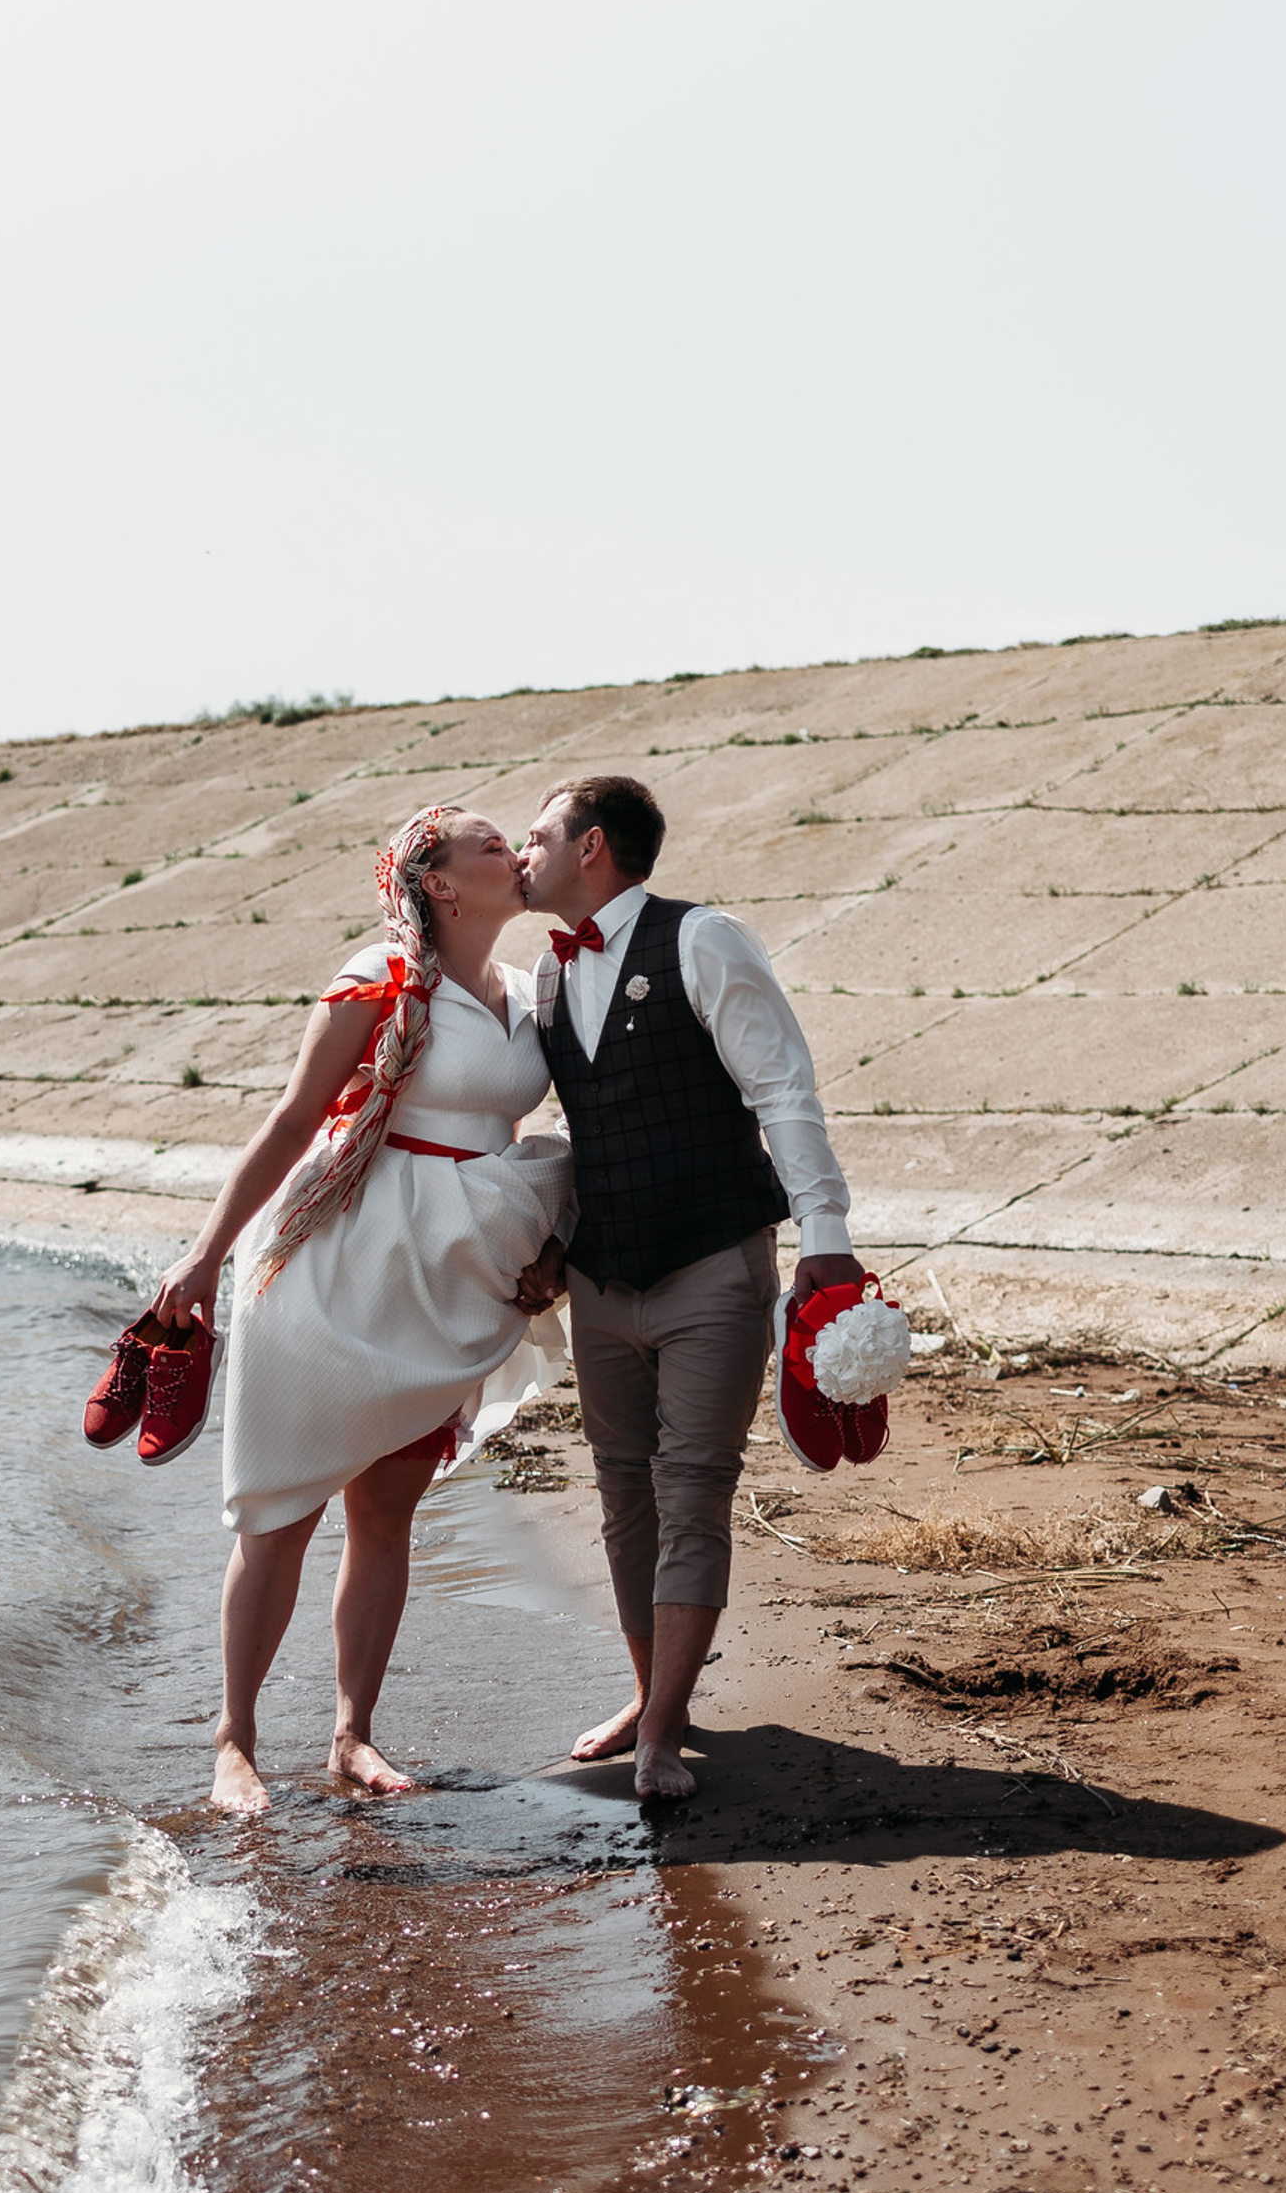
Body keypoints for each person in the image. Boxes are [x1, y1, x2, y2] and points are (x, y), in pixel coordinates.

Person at [151, 807, 572, 1814]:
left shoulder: (525, 992)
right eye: (486, 845)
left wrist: (546, 1250)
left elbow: (508, 1138)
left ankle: (351, 1736)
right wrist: (205, 1255)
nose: (512, 854)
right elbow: (294, 1118)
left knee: (386, 1511)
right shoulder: (376, 978)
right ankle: (234, 1741)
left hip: (447, 1275)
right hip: (337, 1267)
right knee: (281, 1513)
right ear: (437, 883)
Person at [514, 775, 863, 1798]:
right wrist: (556, 1239)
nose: (523, 856)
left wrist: (826, 1238)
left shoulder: (704, 939)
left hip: (712, 1263)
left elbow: (781, 1088)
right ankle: (650, 1692)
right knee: (622, 1492)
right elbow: (594, 1129)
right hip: (600, 1278)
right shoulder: (544, 976)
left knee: (692, 1491)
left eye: (538, 837)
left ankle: (662, 1732)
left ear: (593, 848)